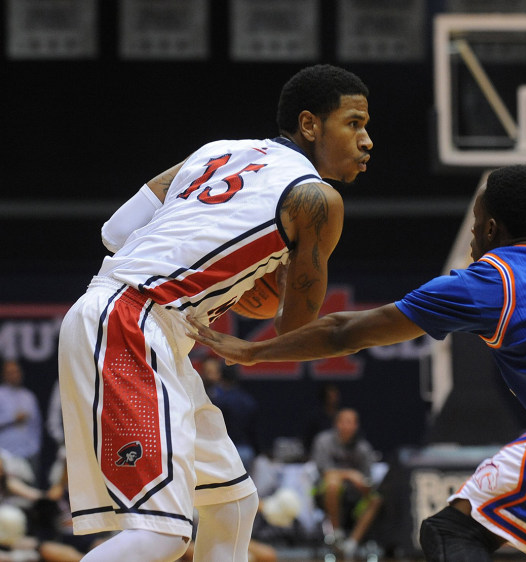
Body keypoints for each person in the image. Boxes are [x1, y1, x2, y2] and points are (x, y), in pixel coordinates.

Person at [186, 165, 526, 562]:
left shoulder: (491, 277)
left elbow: (345, 330)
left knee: (451, 532)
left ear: (492, 227)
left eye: (479, 221)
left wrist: (253, 349)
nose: (475, 232)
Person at [57, 63, 372, 562]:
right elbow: (292, 324)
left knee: (234, 501)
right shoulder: (317, 198)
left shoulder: (216, 151)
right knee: (162, 534)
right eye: (354, 123)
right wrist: (270, 276)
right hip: (132, 322)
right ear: (310, 125)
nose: (367, 139)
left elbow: (115, 231)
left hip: (140, 319)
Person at [311, 408, 382, 558]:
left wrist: (363, 484)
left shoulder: (364, 448)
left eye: (350, 422)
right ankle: (337, 534)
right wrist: (350, 475)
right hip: (326, 495)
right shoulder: (323, 441)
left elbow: (367, 479)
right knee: (333, 483)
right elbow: (325, 471)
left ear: (356, 426)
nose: (346, 426)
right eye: (343, 421)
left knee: (376, 498)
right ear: (336, 424)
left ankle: (352, 543)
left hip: (355, 496)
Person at [0, 360, 42, 481]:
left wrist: (36, 447)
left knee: (33, 491)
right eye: (10, 372)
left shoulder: (28, 396)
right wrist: (12, 419)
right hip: (7, 454)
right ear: (4, 375)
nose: (14, 375)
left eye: (16, 371)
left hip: (30, 453)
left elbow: (37, 425)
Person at [302, 383, 342, 454]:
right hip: (319, 454)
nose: (333, 399)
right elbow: (308, 440)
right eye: (330, 396)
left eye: (335, 395)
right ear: (324, 397)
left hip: (341, 455)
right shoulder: (316, 418)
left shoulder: (342, 416)